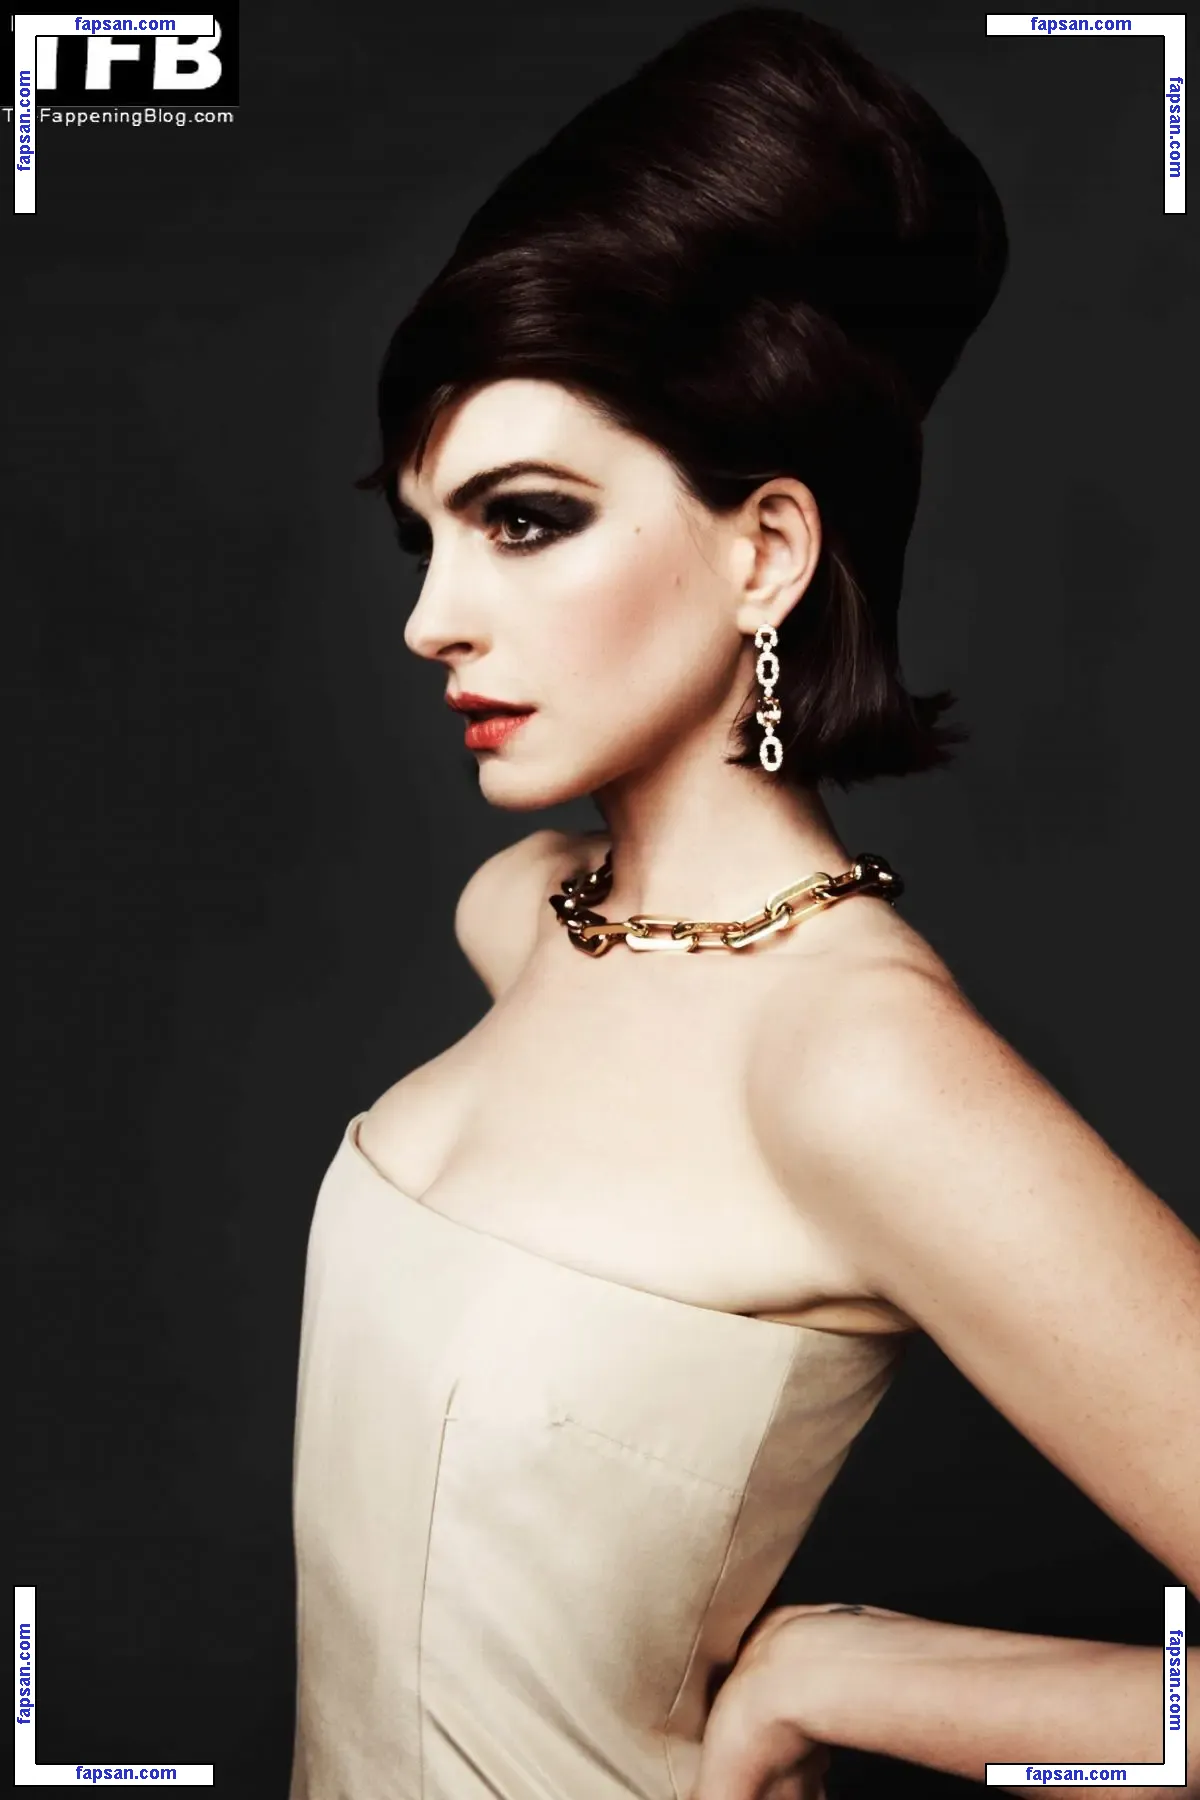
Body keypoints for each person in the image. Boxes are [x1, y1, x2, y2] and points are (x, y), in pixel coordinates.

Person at [287, 9, 1200, 1798]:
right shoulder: (522, 914)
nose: (431, 618)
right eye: (425, 536)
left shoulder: (856, 1064)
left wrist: (852, 1674)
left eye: (525, 519)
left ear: (764, 548)